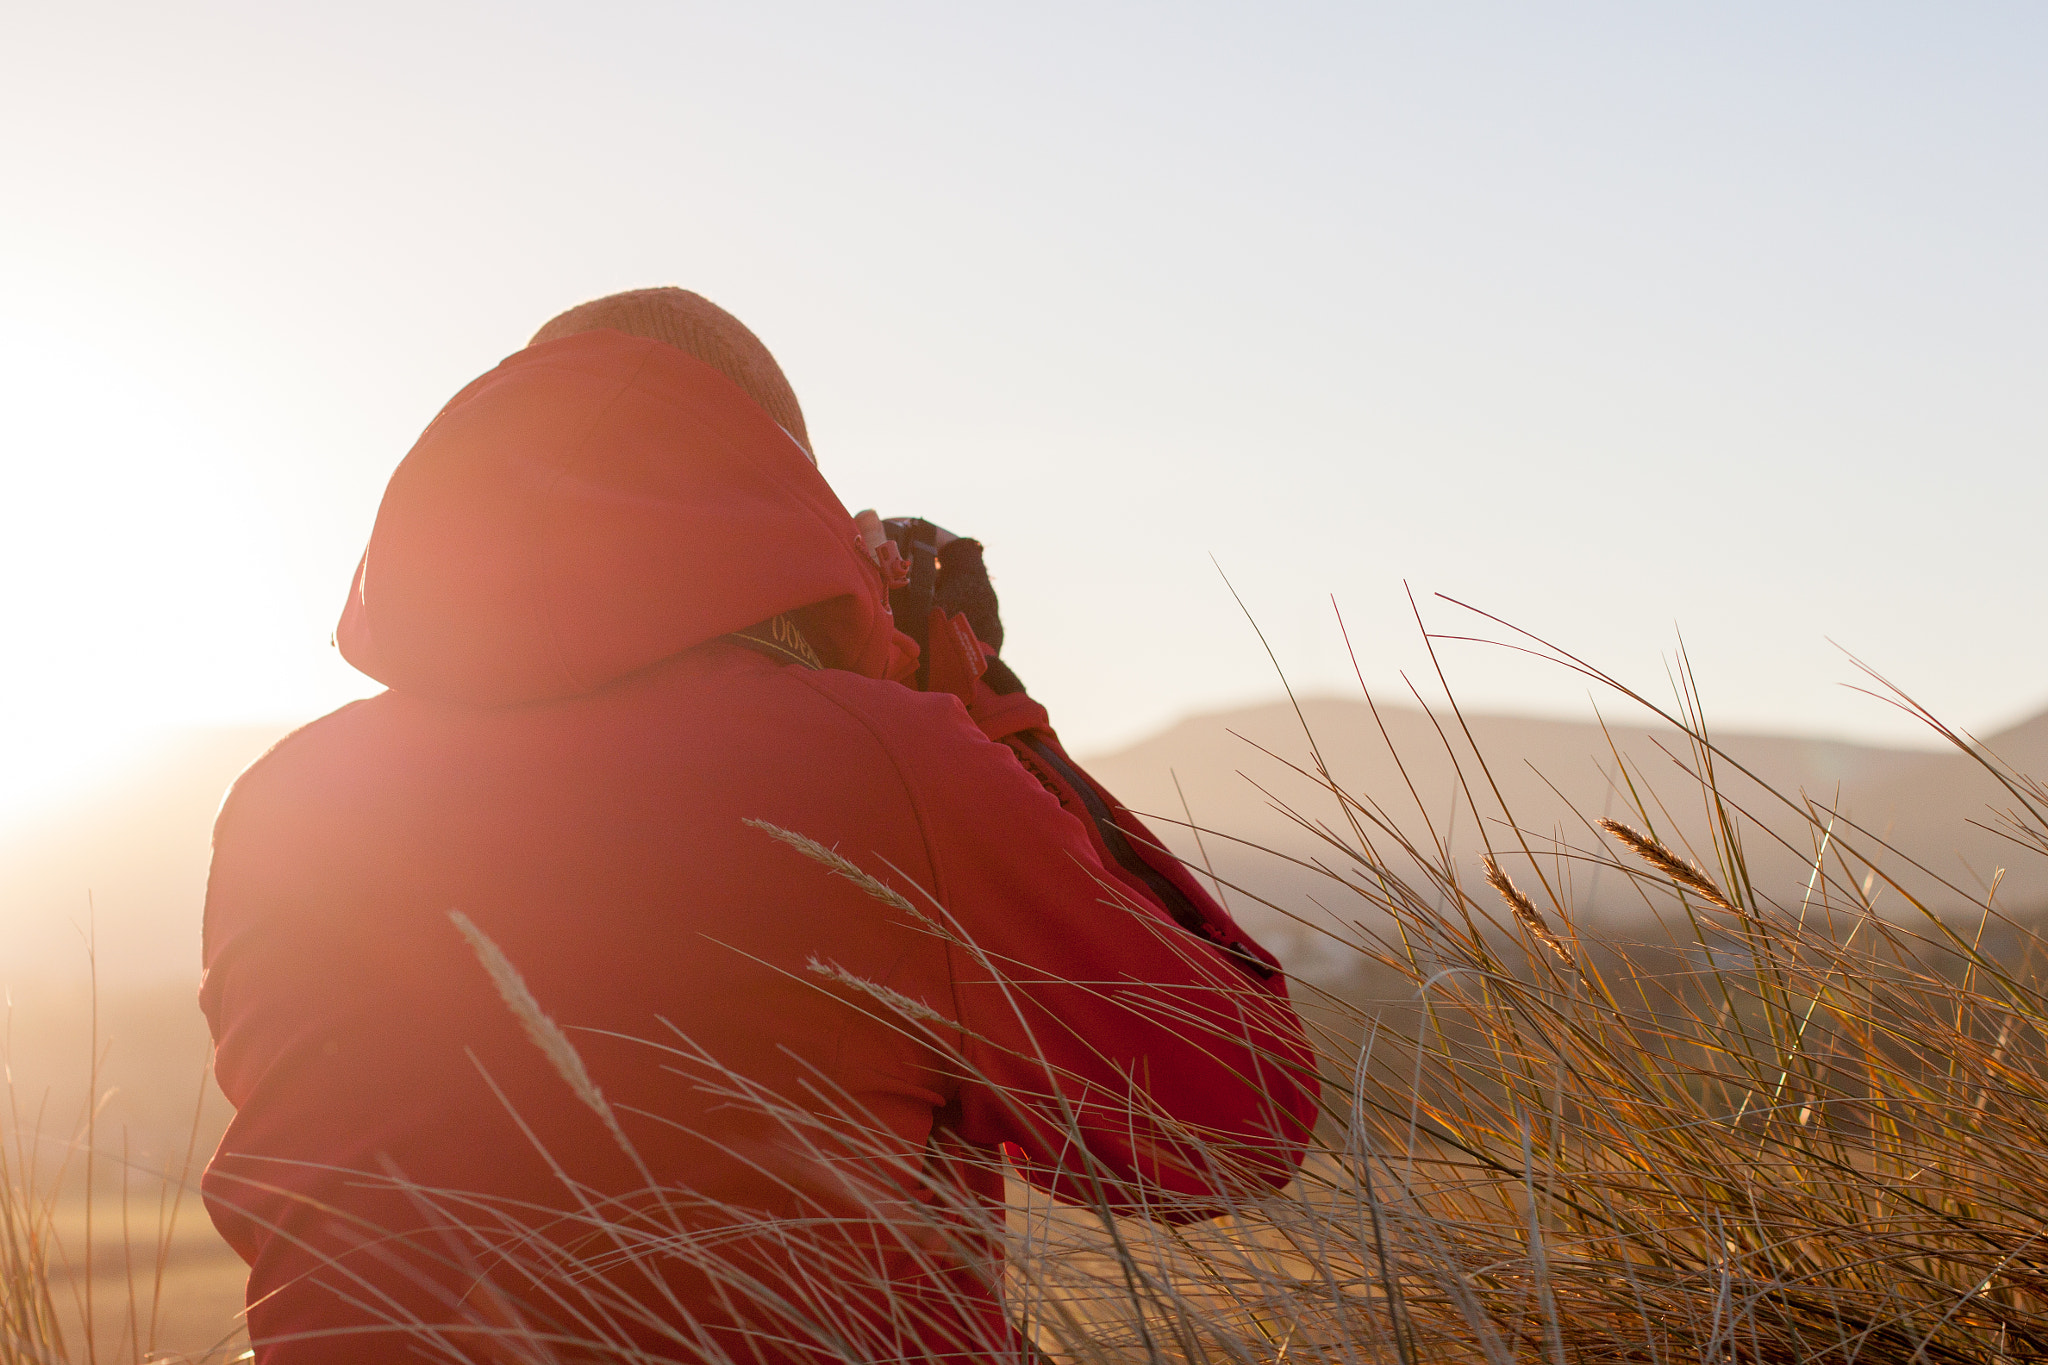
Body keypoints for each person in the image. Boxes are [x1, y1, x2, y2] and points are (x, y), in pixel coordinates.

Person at [199, 288, 1319, 1364]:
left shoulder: (288, 800)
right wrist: (978, 704)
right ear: (768, 491)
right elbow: (1232, 1122)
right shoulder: (882, 763)